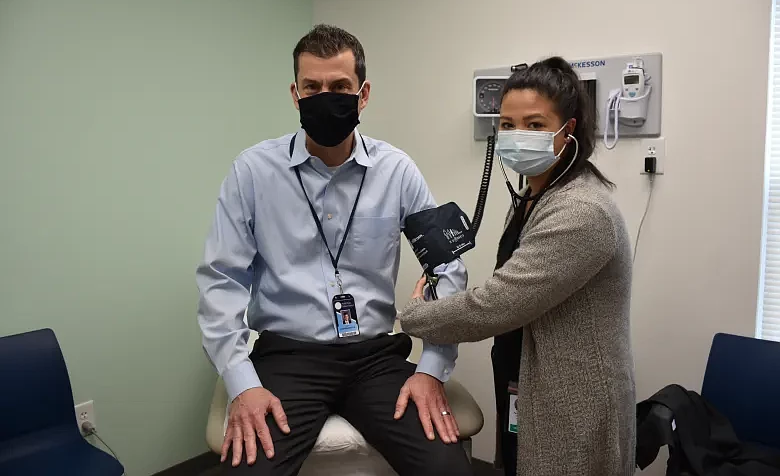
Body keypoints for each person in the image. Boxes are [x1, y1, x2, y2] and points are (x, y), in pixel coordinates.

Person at [196, 24, 473, 476]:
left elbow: (447, 266)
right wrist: (242, 384)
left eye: (340, 86)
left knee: (449, 469)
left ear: (363, 95)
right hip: (288, 357)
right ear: (295, 93)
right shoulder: (253, 172)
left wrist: (432, 367)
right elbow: (221, 279)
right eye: (313, 86)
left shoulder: (397, 170)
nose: (326, 96)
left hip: (375, 358)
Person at [399, 57, 636, 476]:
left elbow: (497, 304)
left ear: (569, 131)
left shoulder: (581, 211)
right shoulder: (535, 196)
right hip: (526, 377)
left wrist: (415, 317)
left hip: (572, 401)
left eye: (535, 124)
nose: (517, 135)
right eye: (507, 125)